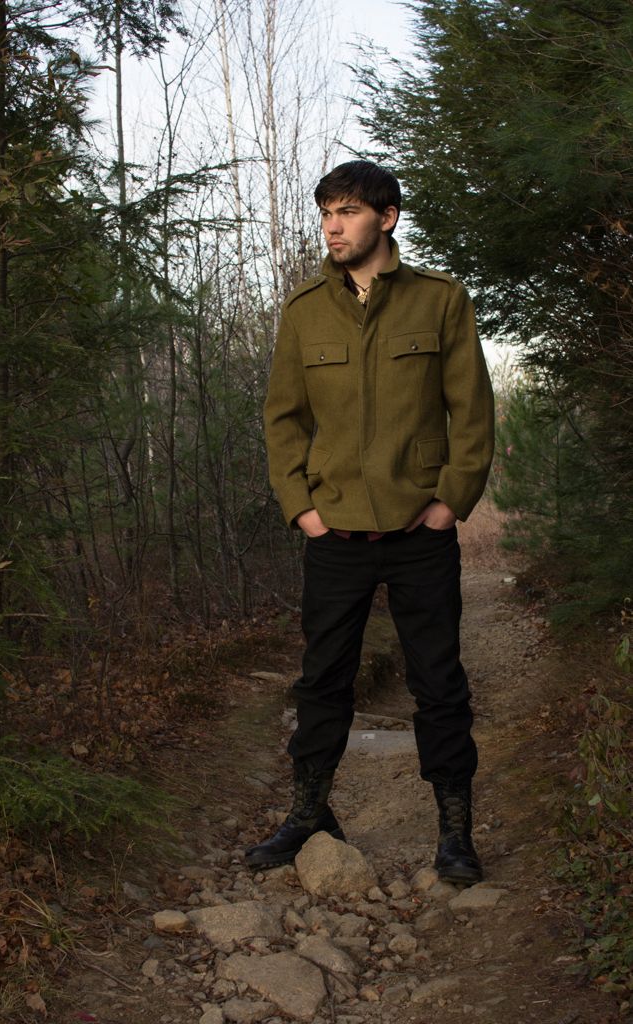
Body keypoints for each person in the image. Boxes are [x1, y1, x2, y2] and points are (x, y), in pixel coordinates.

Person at [245, 160, 495, 886]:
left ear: (386, 218)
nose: (332, 226)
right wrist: (301, 508)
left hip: (419, 531)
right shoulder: (304, 310)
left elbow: (471, 411)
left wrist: (450, 502)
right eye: (326, 212)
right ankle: (307, 814)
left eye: (348, 211)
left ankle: (455, 832)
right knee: (321, 680)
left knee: (438, 682)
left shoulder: (439, 300)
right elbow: (283, 419)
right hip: (336, 534)